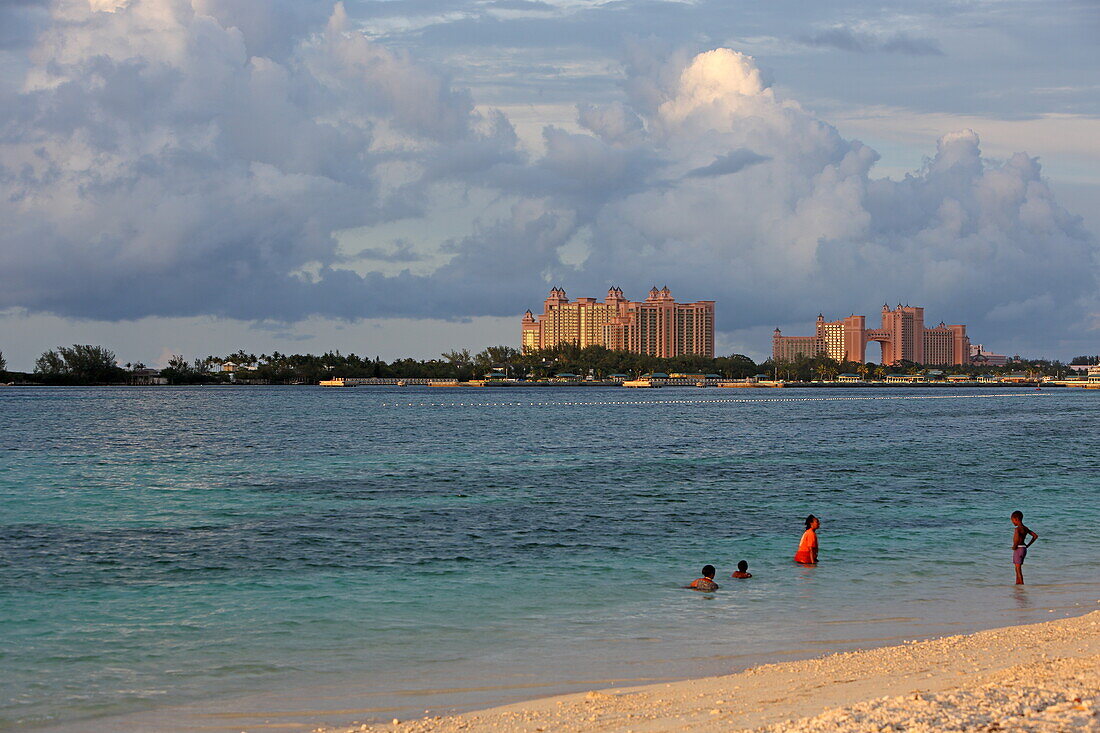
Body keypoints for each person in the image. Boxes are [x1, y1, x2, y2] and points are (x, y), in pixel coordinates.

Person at [1011, 510, 1039, 585]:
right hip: (1023, 549)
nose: (1012, 522)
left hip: (1018, 548)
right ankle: (1018, 584)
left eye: (1012, 520)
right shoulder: (1025, 528)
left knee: (1017, 569)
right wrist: (1028, 545)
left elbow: (1016, 540)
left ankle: (1021, 585)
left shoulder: (1017, 529)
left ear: (1016, 519)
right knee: (1018, 567)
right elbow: (1035, 536)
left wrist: (1014, 547)